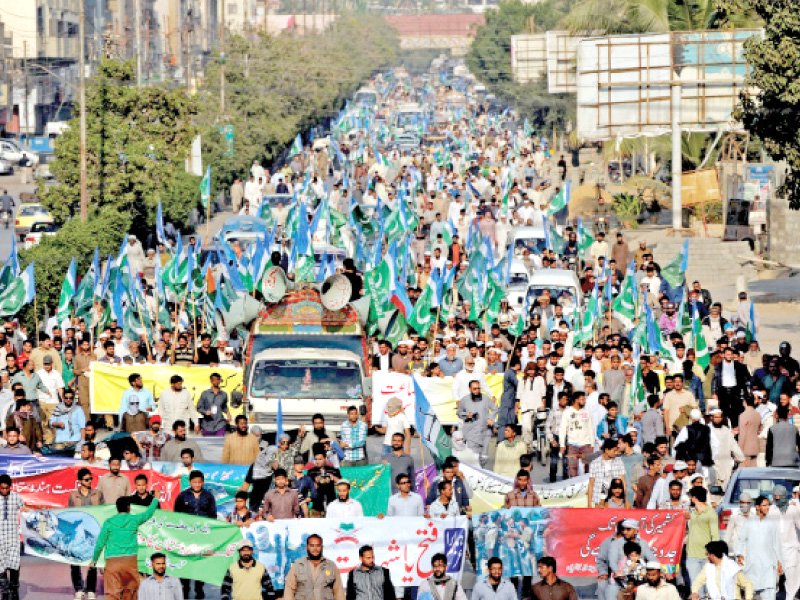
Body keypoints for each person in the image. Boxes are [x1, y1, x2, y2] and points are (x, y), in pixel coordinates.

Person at [89, 491, 160, 600]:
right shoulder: (134, 520)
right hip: (129, 562)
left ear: (117, 508)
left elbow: (100, 544)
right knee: (130, 592)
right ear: (129, 507)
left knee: (112, 594)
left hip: (112, 562)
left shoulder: (109, 522)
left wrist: (94, 560)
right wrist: (156, 499)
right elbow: (149, 513)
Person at [174, 470, 217, 599]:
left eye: (199, 482)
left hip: (203, 536)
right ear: (190, 482)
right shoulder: (182, 496)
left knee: (200, 562)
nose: (197, 484)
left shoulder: (209, 496)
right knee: (186, 561)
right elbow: (176, 516)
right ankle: (184, 588)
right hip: (186, 536)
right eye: (194, 482)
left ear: (203, 482)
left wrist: (210, 534)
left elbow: (213, 516)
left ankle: (199, 589)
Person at [735, 495, 783, 600]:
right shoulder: (749, 522)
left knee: (769, 593)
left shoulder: (772, 523)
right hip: (752, 565)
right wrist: (739, 554)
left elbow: (777, 543)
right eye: (764, 505)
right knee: (751, 593)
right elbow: (741, 540)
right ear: (757, 507)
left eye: (768, 505)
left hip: (769, 565)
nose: (767, 507)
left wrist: (780, 561)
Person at [283, 534, 345, 600]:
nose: (315, 549)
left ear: (322, 547)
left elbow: (339, 591)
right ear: (307, 547)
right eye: (312, 546)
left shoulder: (331, 566)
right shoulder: (298, 565)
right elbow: (289, 589)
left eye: (318, 546)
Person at [768, 485, 800, 600]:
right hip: (775, 551)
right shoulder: (771, 511)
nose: (778, 500)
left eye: (780, 497)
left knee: (792, 580)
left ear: (785, 496)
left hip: (791, 550)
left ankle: (790, 598)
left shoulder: (793, 510)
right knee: (773, 580)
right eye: (775, 498)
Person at [685, 487, 720, 588]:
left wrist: (712, 555)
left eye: (691, 497)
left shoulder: (711, 513)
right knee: (696, 587)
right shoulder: (691, 513)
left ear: (695, 498)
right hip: (692, 555)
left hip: (706, 557)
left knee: (708, 587)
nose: (690, 499)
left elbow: (715, 536)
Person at [457, 379, 497, 467]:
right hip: (471, 432)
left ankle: (480, 471)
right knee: (474, 457)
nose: (477, 391)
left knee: (484, 457)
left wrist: (491, 418)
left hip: (485, 432)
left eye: (478, 388)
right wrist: (466, 415)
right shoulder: (464, 400)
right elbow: (459, 413)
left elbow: (495, 409)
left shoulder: (486, 399)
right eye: (474, 389)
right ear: (470, 389)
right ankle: (476, 474)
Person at [559, 391, 595, 478]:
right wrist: (562, 445)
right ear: (576, 400)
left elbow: (591, 428)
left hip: (586, 444)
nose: (584, 401)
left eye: (584, 399)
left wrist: (592, 444)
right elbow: (562, 429)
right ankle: (573, 486)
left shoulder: (587, 412)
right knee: (572, 468)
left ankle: (587, 486)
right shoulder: (567, 412)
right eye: (582, 399)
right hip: (572, 445)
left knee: (588, 467)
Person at [0, 475, 24, 600]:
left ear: (10, 487)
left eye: (6, 488)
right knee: (1, 566)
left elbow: (25, 510)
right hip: (0, 538)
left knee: (14, 564)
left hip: (13, 537)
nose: (4, 491)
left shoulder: (16, 497)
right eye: (2, 488)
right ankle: (4, 591)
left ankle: (14, 589)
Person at [588, 439, 626, 508]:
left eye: (617, 450)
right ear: (606, 450)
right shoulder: (595, 463)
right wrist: (589, 503)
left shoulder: (619, 461)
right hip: (598, 499)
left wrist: (625, 499)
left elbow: (623, 481)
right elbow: (591, 484)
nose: (616, 453)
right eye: (614, 450)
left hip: (614, 499)